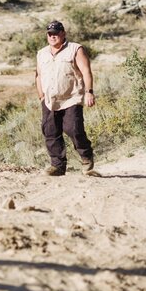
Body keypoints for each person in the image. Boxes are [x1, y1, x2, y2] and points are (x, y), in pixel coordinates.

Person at [35, 20, 96, 177]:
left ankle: (86, 158)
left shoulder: (75, 49)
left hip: (71, 97)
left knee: (73, 128)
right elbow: (38, 75)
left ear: (63, 34)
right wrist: (41, 95)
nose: (53, 36)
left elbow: (86, 71)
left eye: (56, 33)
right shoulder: (41, 53)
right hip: (49, 99)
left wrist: (89, 91)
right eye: (50, 34)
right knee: (50, 131)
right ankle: (58, 165)